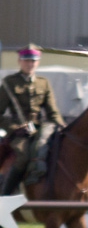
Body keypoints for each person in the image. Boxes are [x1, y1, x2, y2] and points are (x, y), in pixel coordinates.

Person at [0, 44, 63, 197]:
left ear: (38, 62)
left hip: (40, 129)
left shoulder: (43, 83)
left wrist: (62, 126)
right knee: (23, 156)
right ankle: (4, 196)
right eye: (27, 60)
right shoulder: (10, 82)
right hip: (20, 133)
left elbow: (52, 112)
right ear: (20, 61)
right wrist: (15, 127)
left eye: (33, 61)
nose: (30, 64)